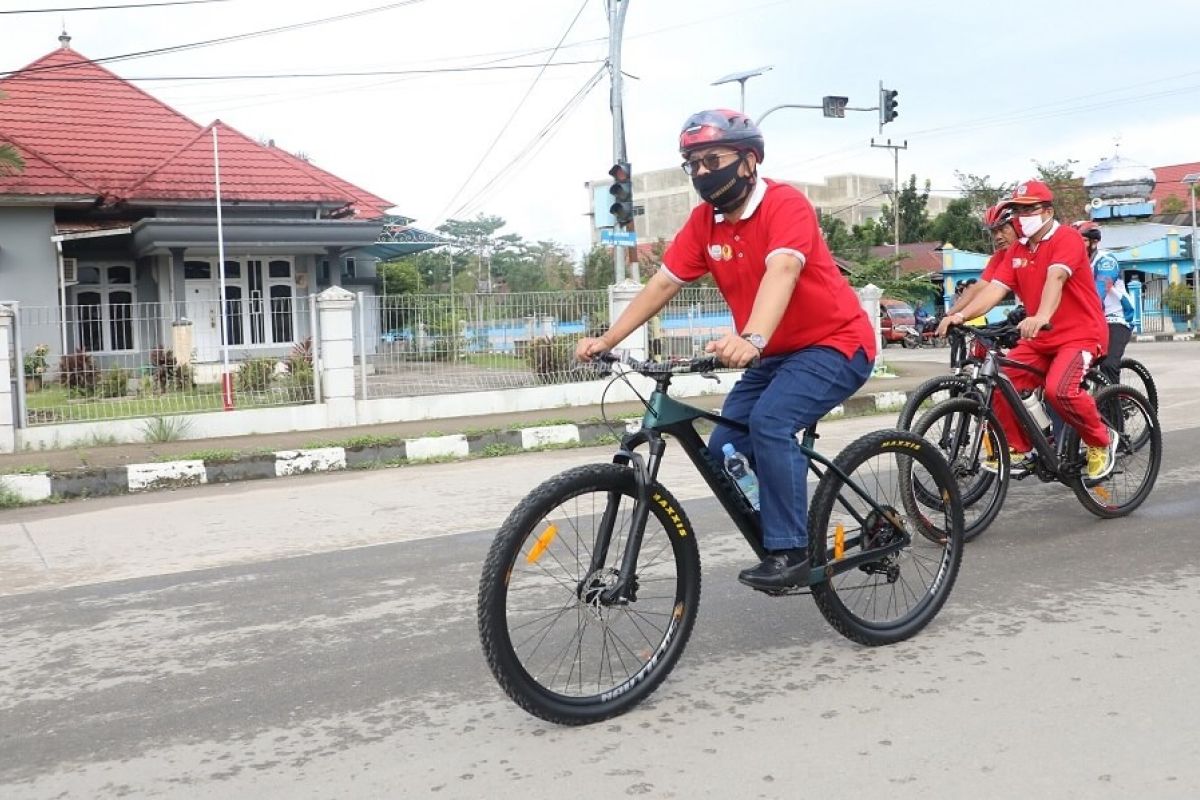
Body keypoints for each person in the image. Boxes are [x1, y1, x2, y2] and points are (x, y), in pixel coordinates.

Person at [574, 108, 875, 591]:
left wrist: (751, 337)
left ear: (749, 160)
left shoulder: (785, 204)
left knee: (770, 423)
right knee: (726, 445)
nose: (701, 172)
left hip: (835, 344)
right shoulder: (703, 224)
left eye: (713, 158)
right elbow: (662, 284)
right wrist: (609, 340)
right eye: (692, 164)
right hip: (774, 356)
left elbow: (783, 270)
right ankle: (781, 518)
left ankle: (791, 549)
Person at [936, 179, 1116, 479]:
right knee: (999, 381)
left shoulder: (1067, 239)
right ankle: (1022, 450)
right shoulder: (1017, 251)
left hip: (1080, 335)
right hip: (1040, 338)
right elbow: (993, 290)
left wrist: (1042, 314)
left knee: (1059, 390)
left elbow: (1056, 278)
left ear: (1046, 210)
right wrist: (960, 316)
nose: (1022, 216)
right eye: (1018, 210)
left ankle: (1101, 441)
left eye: (1028, 208)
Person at [1074, 220, 1133, 384]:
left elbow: (1097, 294)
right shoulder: (1074, 264)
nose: (1077, 245)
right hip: (1090, 320)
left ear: (1094, 242)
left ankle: (1116, 407)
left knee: (1108, 365)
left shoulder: (1106, 261)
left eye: (1082, 240)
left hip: (1116, 319)